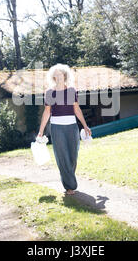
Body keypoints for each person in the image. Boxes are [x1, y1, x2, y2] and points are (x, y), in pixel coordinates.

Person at [38, 64, 92, 195]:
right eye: (55, 75)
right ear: (53, 78)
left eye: (60, 74)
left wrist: (85, 126)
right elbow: (47, 112)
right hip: (57, 128)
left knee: (73, 156)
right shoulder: (50, 93)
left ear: (65, 75)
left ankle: (69, 179)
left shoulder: (72, 91)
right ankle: (69, 186)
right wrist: (41, 131)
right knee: (62, 156)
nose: (58, 76)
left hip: (72, 126)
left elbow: (77, 109)